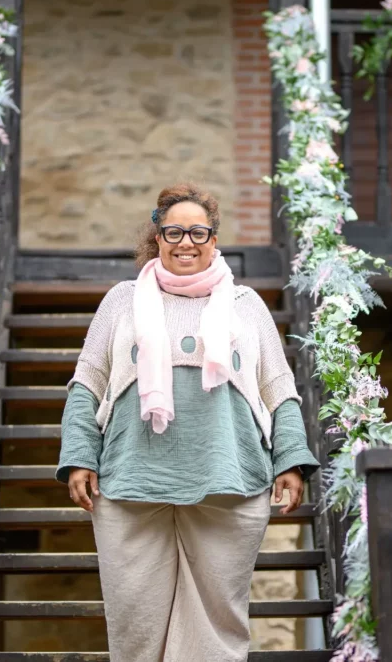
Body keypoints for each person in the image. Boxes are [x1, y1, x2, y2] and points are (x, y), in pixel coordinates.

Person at [56, 182, 320, 662]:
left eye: (199, 232)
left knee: (217, 622)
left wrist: (291, 460)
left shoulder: (246, 304)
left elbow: (278, 388)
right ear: (156, 237)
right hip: (131, 475)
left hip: (228, 475)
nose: (186, 242)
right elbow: (88, 382)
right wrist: (78, 455)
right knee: (136, 620)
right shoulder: (121, 300)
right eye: (174, 231)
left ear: (214, 240)